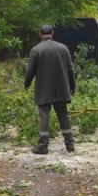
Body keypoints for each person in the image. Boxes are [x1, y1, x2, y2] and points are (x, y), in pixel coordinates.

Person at [24, 24, 76, 155]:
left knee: (44, 117)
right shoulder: (63, 48)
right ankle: (70, 145)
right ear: (52, 33)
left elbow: (30, 71)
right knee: (64, 116)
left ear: (40, 34)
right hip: (62, 88)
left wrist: (27, 83)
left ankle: (43, 146)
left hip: (43, 89)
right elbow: (71, 69)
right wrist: (72, 85)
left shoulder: (36, 50)